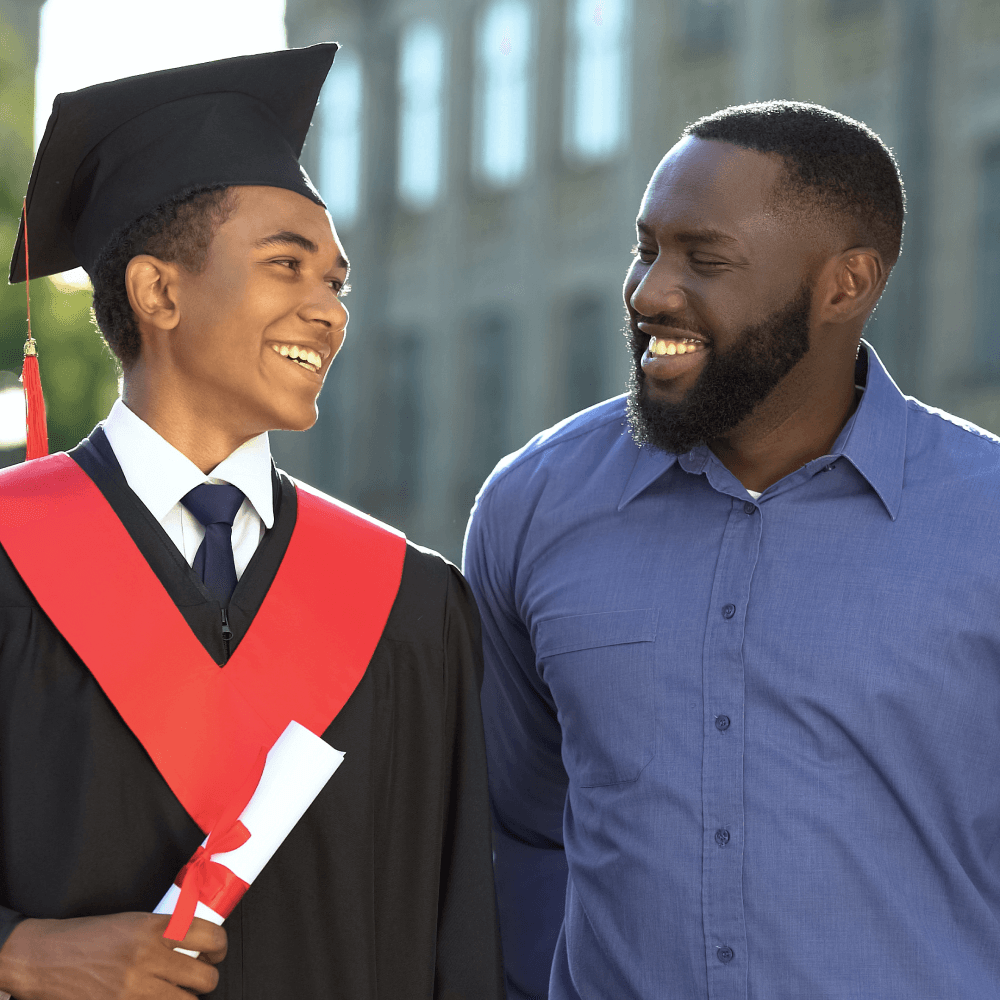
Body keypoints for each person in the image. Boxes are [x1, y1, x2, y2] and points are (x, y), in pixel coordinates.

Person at [463, 100, 1000, 999]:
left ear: (846, 286)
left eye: (704, 259)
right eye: (647, 249)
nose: (649, 293)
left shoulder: (986, 521)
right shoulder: (535, 504)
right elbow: (517, 826)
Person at [0, 45, 503, 1000]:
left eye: (337, 283)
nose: (329, 312)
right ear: (159, 293)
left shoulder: (413, 603)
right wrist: (17, 954)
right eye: (288, 267)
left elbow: (460, 942)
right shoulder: (9, 555)